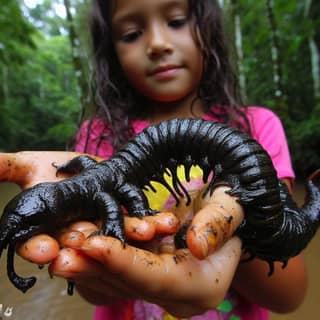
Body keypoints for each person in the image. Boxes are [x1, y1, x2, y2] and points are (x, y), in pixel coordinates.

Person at [16, 0, 307, 319]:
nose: (157, 44)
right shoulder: (97, 137)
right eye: (131, 34)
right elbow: (91, 289)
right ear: (111, 52)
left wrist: (236, 230)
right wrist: (94, 256)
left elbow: (289, 293)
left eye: (177, 20)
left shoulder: (258, 127)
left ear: (208, 29)